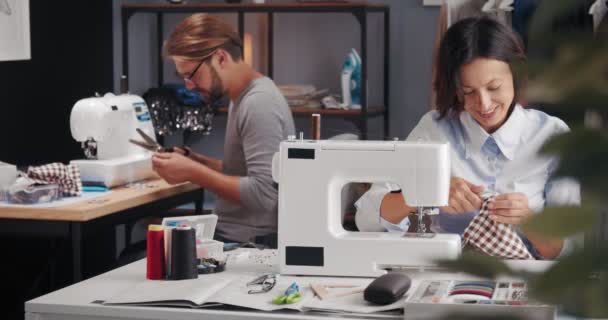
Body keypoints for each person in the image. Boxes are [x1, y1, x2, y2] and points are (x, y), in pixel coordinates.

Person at [355, 17, 580, 259]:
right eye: (468, 92)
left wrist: (529, 221)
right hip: (444, 279)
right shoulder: (433, 130)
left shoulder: (552, 136)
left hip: (526, 285)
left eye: (494, 87)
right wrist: (427, 192)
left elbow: (567, 252)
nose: (484, 104)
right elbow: (366, 220)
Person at [152, 14, 295, 247]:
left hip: (248, 242)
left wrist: (193, 172)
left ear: (220, 58)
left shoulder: (258, 103)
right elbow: (243, 170)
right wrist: (197, 161)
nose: (188, 85)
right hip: (236, 235)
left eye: (192, 75)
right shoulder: (240, 96)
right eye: (183, 77)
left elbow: (263, 194)